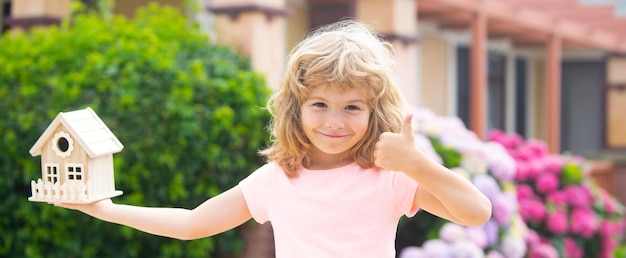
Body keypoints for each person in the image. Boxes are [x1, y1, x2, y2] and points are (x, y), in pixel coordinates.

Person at [55, 20, 492, 257]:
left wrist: (415, 164)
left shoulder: (388, 177)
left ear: (374, 113)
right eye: (319, 104)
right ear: (295, 109)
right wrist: (107, 211)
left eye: (352, 107)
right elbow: (191, 225)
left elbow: (475, 213)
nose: (334, 121)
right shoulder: (275, 179)